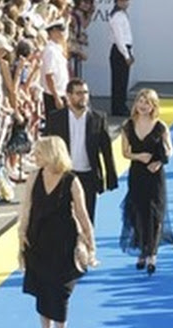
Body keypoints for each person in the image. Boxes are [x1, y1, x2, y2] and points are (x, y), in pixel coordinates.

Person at [18, 135, 94, 328]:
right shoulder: (34, 177)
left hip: (64, 244)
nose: (35, 156)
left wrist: (91, 244)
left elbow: (82, 214)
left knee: (61, 293)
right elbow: (26, 208)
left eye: (39, 153)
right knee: (42, 293)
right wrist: (21, 236)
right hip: (37, 241)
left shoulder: (71, 180)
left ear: (52, 154)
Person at [43, 78, 118, 223]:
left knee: (87, 218)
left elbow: (106, 150)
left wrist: (111, 176)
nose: (83, 96)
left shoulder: (98, 118)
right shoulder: (56, 118)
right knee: (63, 218)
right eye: (78, 93)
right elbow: (47, 147)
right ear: (68, 96)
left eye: (85, 93)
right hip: (64, 174)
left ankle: (86, 238)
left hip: (88, 175)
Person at [120, 88, 173, 274]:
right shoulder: (128, 126)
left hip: (155, 176)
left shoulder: (160, 127)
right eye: (141, 101)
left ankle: (152, 253)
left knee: (155, 214)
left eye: (147, 103)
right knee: (138, 212)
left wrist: (159, 162)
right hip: (137, 174)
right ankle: (142, 250)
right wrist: (139, 156)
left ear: (153, 106)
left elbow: (170, 150)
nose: (143, 106)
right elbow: (125, 152)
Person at [108, 0, 134, 117]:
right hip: (119, 51)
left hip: (124, 49)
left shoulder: (122, 15)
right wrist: (126, 55)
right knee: (119, 81)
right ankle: (118, 107)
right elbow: (119, 39)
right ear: (118, 1)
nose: (126, 3)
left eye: (127, 0)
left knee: (123, 81)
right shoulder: (117, 16)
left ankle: (121, 105)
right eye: (123, 0)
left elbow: (127, 37)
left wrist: (130, 52)